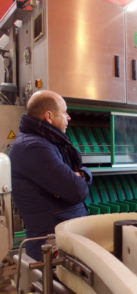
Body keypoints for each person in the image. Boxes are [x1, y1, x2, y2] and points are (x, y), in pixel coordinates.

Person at [9, 90, 92, 260]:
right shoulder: (34, 147)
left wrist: (80, 175)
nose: (68, 117)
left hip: (63, 238)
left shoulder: (49, 143)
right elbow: (76, 191)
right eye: (64, 112)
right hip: (51, 247)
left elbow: (78, 179)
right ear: (49, 116)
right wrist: (76, 178)